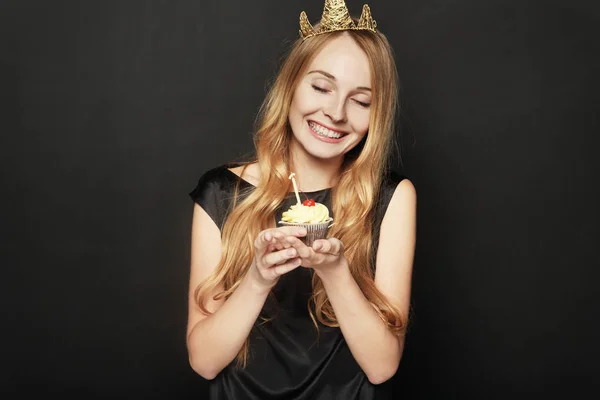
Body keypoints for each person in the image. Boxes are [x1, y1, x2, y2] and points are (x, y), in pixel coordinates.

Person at [186, 1, 416, 398]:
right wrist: (257, 280)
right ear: (291, 84)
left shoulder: (391, 198)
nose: (336, 113)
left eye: (361, 101)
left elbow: (382, 368)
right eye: (322, 87)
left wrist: (335, 271)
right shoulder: (222, 193)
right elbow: (203, 361)